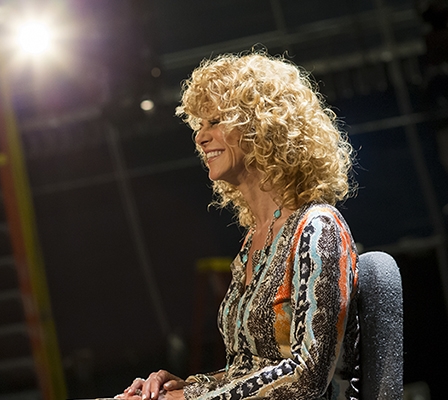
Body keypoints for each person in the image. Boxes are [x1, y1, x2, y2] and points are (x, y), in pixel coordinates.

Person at [116, 52, 359, 400]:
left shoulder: (318, 227)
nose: (200, 138)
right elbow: (249, 371)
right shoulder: (253, 241)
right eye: (199, 125)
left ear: (263, 125)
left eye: (214, 121)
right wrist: (187, 387)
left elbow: (307, 377)